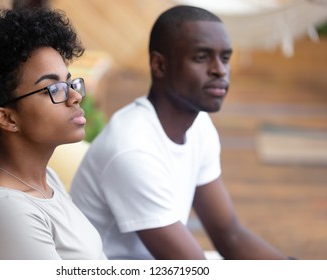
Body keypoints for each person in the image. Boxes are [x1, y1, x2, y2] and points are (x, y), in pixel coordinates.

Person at [70, 5, 288, 260]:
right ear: (159, 65)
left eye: (225, 58)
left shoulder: (199, 125)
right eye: (201, 57)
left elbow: (229, 234)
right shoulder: (132, 148)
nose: (220, 70)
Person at [0, 8, 107, 260]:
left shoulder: (45, 179)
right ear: (8, 118)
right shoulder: (9, 214)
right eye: (53, 88)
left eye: (69, 83)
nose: (75, 96)